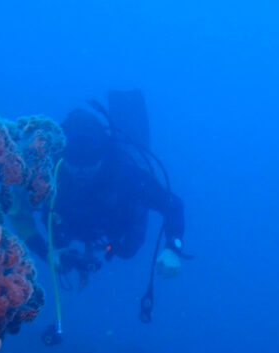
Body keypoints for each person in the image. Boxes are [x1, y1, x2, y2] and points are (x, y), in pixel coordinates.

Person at [29, 91, 188, 294]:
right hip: (69, 225)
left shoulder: (125, 175)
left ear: (103, 154)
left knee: (127, 250)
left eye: (89, 160)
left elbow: (173, 205)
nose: (81, 170)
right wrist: (45, 251)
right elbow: (18, 210)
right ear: (62, 154)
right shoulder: (48, 173)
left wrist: (173, 247)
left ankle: (127, 103)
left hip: (115, 223)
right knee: (60, 243)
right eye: (74, 158)